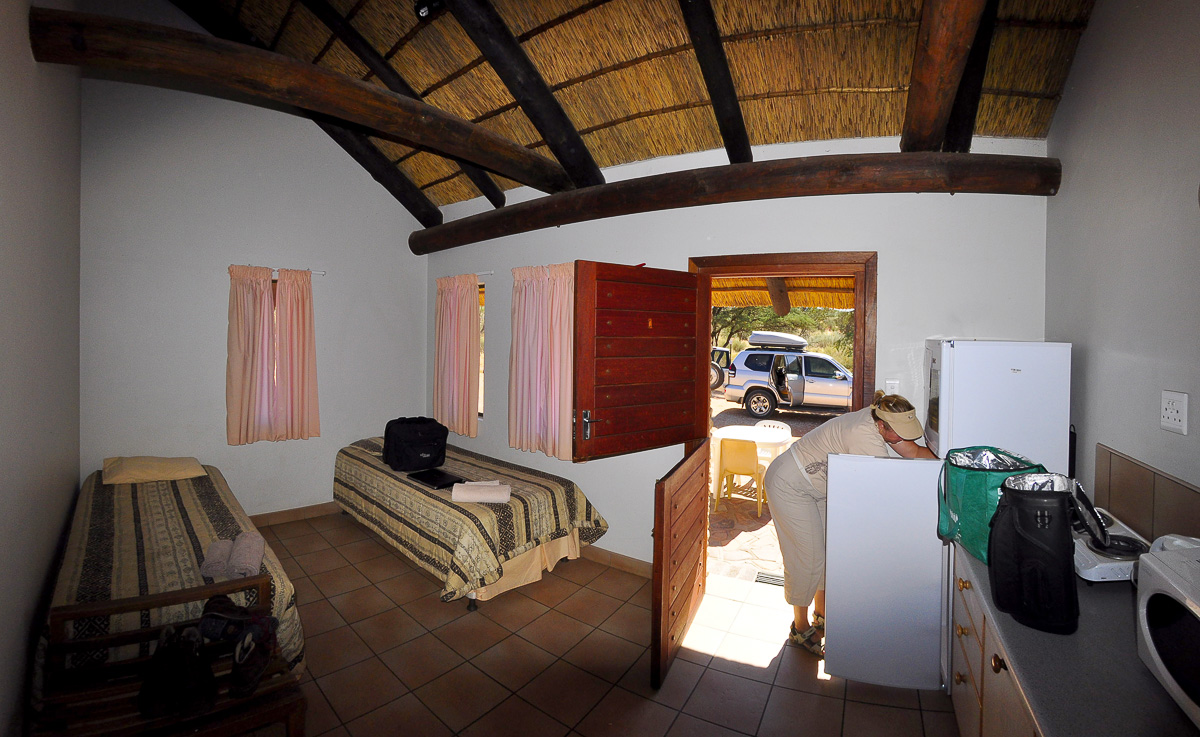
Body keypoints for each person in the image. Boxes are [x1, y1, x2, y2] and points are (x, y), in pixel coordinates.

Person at [763, 390, 937, 657]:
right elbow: (883, 490)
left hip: (813, 488)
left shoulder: (882, 423)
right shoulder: (864, 434)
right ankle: (800, 627)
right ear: (881, 425)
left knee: (824, 555)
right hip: (789, 484)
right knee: (807, 558)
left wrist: (946, 465)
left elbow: (912, 451)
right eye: (899, 433)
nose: (903, 438)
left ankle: (821, 614)